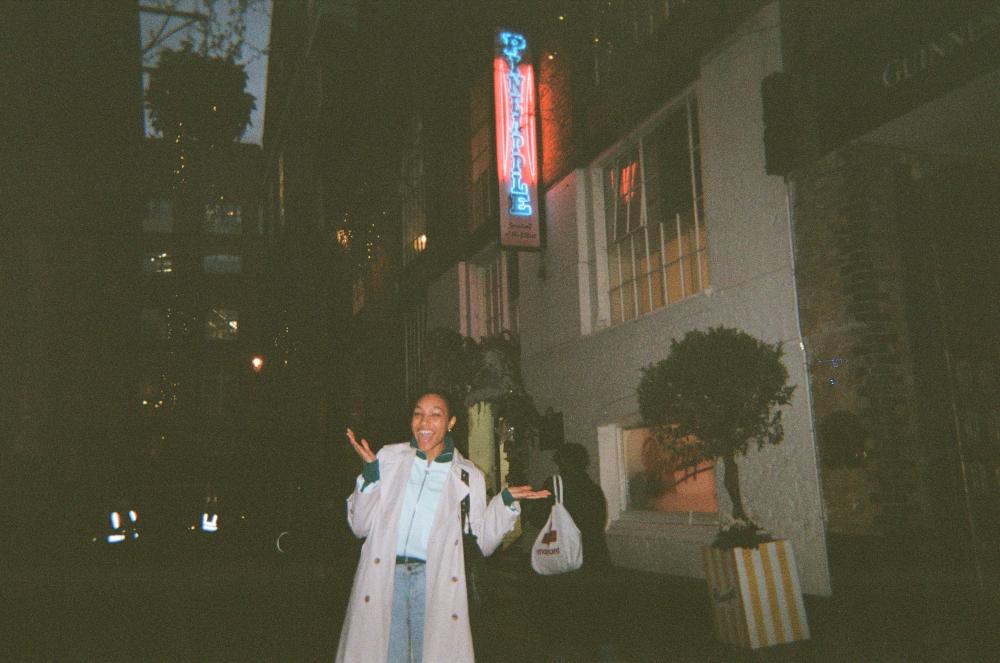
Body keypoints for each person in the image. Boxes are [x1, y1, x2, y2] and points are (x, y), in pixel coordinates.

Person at [336, 391, 550, 663]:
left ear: (451, 422)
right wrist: (369, 475)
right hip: (385, 577)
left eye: (435, 414)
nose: (424, 422)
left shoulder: (468, 474)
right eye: (418, 413)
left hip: (434, 579)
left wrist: (504, 501)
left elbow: (483, 542)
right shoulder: (388, 458)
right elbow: (360, 526)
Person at [529, 443, 617, 662]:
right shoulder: (593, 488)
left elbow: (537, 517)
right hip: (594, 559)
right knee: (598, 615)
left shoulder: (554, 485)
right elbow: (598, 521)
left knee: (563, 620)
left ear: (562, 462)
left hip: (566, 563)